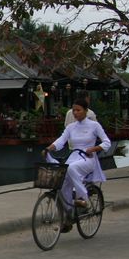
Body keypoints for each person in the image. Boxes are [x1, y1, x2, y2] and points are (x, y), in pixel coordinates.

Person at [44, 98, 111, 231]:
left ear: (86, 111)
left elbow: (106, 142)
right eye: (74, 110)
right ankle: (68, 215)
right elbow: (60, 141)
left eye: (78, 110)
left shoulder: (94, 126)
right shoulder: (71, 127)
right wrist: (48, 148)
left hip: (88, 159)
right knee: (62, 183)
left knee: (72, 168)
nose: (75, 113)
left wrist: (94, 148)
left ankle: (83, 197)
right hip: (74, 157)